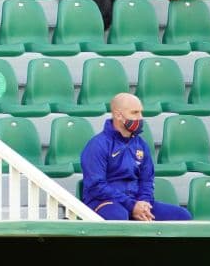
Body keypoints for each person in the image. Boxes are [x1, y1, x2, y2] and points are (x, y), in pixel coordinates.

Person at [80, 93, 192, 222]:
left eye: (141, 113)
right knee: (119, 215)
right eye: (135, 113)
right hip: (104, 203)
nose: (140, 118)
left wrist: (143, 203)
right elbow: (96, 186)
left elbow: (147, 180)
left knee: (182, 216)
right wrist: (131, 205)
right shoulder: (97, 145)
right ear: (118, 115)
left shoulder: (141, 145)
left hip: (135, 202)